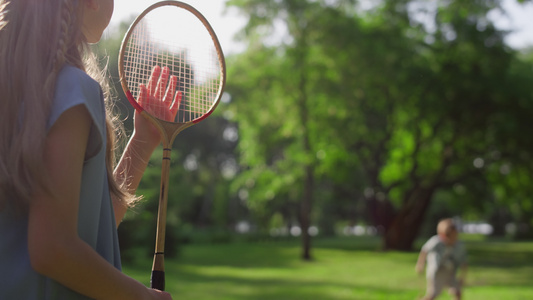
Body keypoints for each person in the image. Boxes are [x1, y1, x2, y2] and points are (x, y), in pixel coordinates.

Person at [0, 0, 177, 299]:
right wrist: (142, 297)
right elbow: (53, 248)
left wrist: (142, 143)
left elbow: (85, 227)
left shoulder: (17, 87)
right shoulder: (72, 89)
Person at [415, 218, 468, 300]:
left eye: (455, 236)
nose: (453, 239)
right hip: (437, 272)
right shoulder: (436, 241)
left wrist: (462, 276)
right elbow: (425, 250)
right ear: (443, 235)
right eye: (450, 236)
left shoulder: (459, 246)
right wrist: (420, 264)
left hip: (450, 272)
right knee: (433, 294)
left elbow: (464, 262)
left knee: (457, 292)